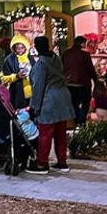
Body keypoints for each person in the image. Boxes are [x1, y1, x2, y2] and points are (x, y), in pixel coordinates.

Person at [27, 35, 73, 173]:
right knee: (60, 132)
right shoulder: (56, 59)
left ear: (36, 47)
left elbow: (39, 85)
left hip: (49, 101)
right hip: (63, 98)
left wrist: (34, 106)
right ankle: (62, 161)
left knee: (45, 133)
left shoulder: (41, 63)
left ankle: (41, 164)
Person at [61, 35, 100, 126]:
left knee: (74, 104)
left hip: (69, 83)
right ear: (82, 43)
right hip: (83, 83)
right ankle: (80, 122)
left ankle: (77, 122)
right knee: (85, 103)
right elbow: (90, 69)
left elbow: (62, 68)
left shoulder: (66, 53)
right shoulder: (84, 55)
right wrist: (95, 80)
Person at [0, 35, 33, 109]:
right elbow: (3, 78)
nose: (20, 50)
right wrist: (16, 76)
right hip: (17, 94)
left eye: (22, 48)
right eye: (18, 48)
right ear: (14, 48)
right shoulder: (9, 60)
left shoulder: (30, 58)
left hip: (32, 95)